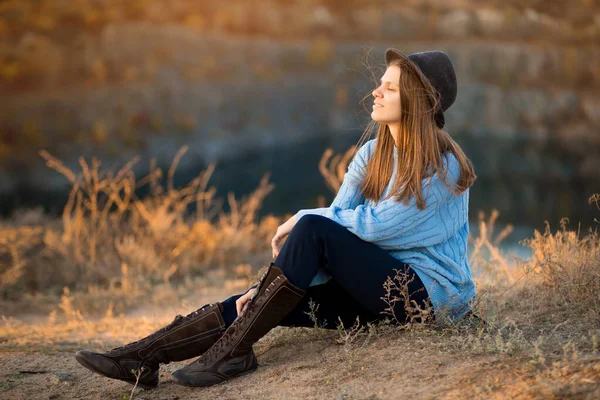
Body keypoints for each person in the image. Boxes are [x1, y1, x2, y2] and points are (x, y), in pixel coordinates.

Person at [75, 48, 478, 389]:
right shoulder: (370, 155)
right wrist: (265, 286)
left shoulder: (444, 167)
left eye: (389, 88)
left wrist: (304, 215)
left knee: (313, 228)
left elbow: (372, 226)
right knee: (267, 299)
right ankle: (144, 357)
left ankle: (229, 356)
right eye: (381, 83)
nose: (376, 91)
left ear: (420, 102)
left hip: (427, 298)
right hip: (376, 292)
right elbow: (334, 231)